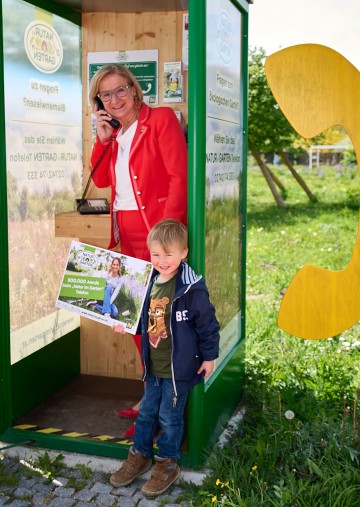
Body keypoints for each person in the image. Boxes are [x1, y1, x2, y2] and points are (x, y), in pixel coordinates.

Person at [88, 64, 188, 437]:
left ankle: (162, 411)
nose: (114, 100)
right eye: (105, 95)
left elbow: (179, 176)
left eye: (120, 91)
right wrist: (102, 138)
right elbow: (100, 179)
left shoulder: (160, 119)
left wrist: (166, 238)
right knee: (134, 321)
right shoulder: (113, 134)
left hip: (155, 237)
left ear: (134, 89)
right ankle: (151, 398)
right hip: (125, 239)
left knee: (158, 325)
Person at [110, 219, 220, 498]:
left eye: (168, 254)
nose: (161, 261)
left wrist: (209, 357)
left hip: (177, 370)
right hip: (154, 367)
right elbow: (139, 319)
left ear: (184, 253)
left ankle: (168, 463)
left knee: (169, 418)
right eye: (155, 254)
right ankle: (140, 455)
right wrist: (124, 323)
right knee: (146, 413)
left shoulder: (191, 288)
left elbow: (208, 325)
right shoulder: (149, 282)